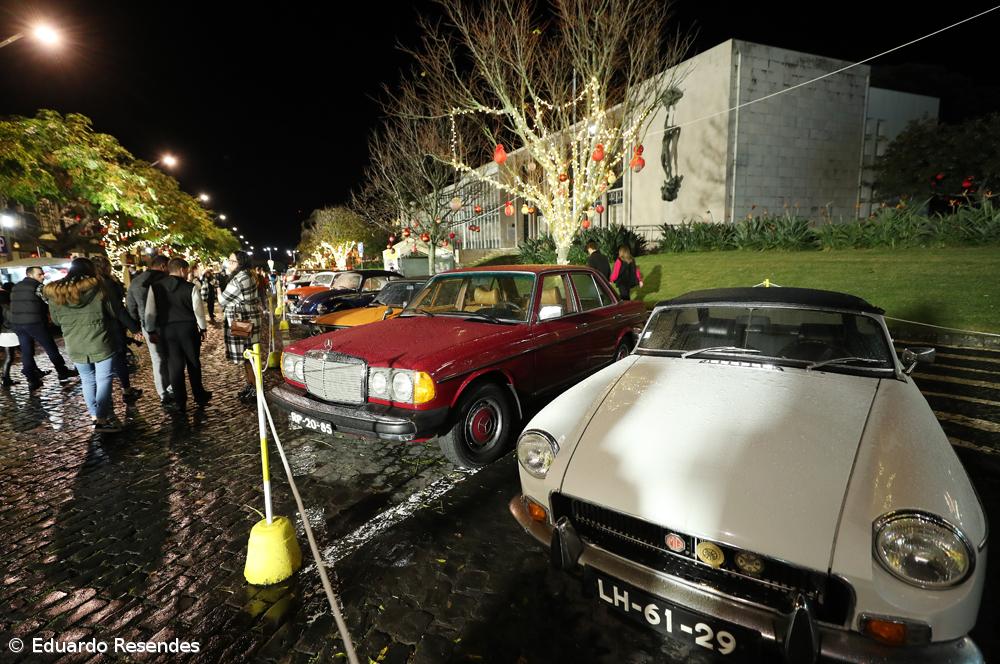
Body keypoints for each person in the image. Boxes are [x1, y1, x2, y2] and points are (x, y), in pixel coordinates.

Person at [43, 258, 122, 433]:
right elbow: (112, 311)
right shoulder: (100, 287)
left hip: (74, 343)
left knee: (87, 380)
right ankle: (102, 419)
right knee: (104, 379)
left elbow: (55, 320)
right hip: (100, 340)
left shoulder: (56, 292)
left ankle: (95, 415)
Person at [146, 258, 211, 412]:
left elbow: (150, 311)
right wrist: (202, 328)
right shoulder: (190, 287)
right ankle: (198, 395)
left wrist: (151, 330)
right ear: (182, 270)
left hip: (167, 330)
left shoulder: (155, 287)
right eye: (187, 270)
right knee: (193, 363)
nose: (188, 272)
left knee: (174, 366)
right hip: (188, 329)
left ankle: (180, 400)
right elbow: (198, 311)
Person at [9, 265, 78, 390]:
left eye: (42, 274)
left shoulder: (16, 286)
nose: (42, 276)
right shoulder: (38, 287)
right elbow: (49, 301)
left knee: (26, 351)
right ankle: (62, 371)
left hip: (18, 324)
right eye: (39, 274)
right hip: (35, 322)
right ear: (30, 275)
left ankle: (31, 379)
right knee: (50, 347)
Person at [92, 255, 143, 403]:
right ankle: (126, 391)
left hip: (96, 327)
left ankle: (103, 398)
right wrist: (134, 328)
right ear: (105, 268)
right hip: (112, 328)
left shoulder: (89, 284)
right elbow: (118, 309)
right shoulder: (107, 284)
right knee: (118, 359)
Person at [218, 251, 263, 404]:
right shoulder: (248, 275)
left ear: (240, 263)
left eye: (232, 261)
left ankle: (255, 388)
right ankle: (251, 385)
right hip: (248, 318)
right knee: (248, 355)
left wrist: (218, 290)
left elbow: (222, 300)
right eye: (229, 260)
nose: (229, 263)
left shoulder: (239, 278)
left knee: (248, 355)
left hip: (242, 319)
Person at [126, 255, 171, 403]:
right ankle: (173, 388)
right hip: (169, 323)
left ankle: (163, 392)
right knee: (173, 356)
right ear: (163, 266)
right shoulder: (166, 279)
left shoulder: (136, 282)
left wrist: (135, 327)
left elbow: (131, 307)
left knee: (157, 359)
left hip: (148, 325)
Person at [0, 284, 19, 388]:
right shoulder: (7, 305)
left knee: (9, 356)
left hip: (5, 333)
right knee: (26, 353)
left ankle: (5, 378)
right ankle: (33, 374)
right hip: (11, 332)